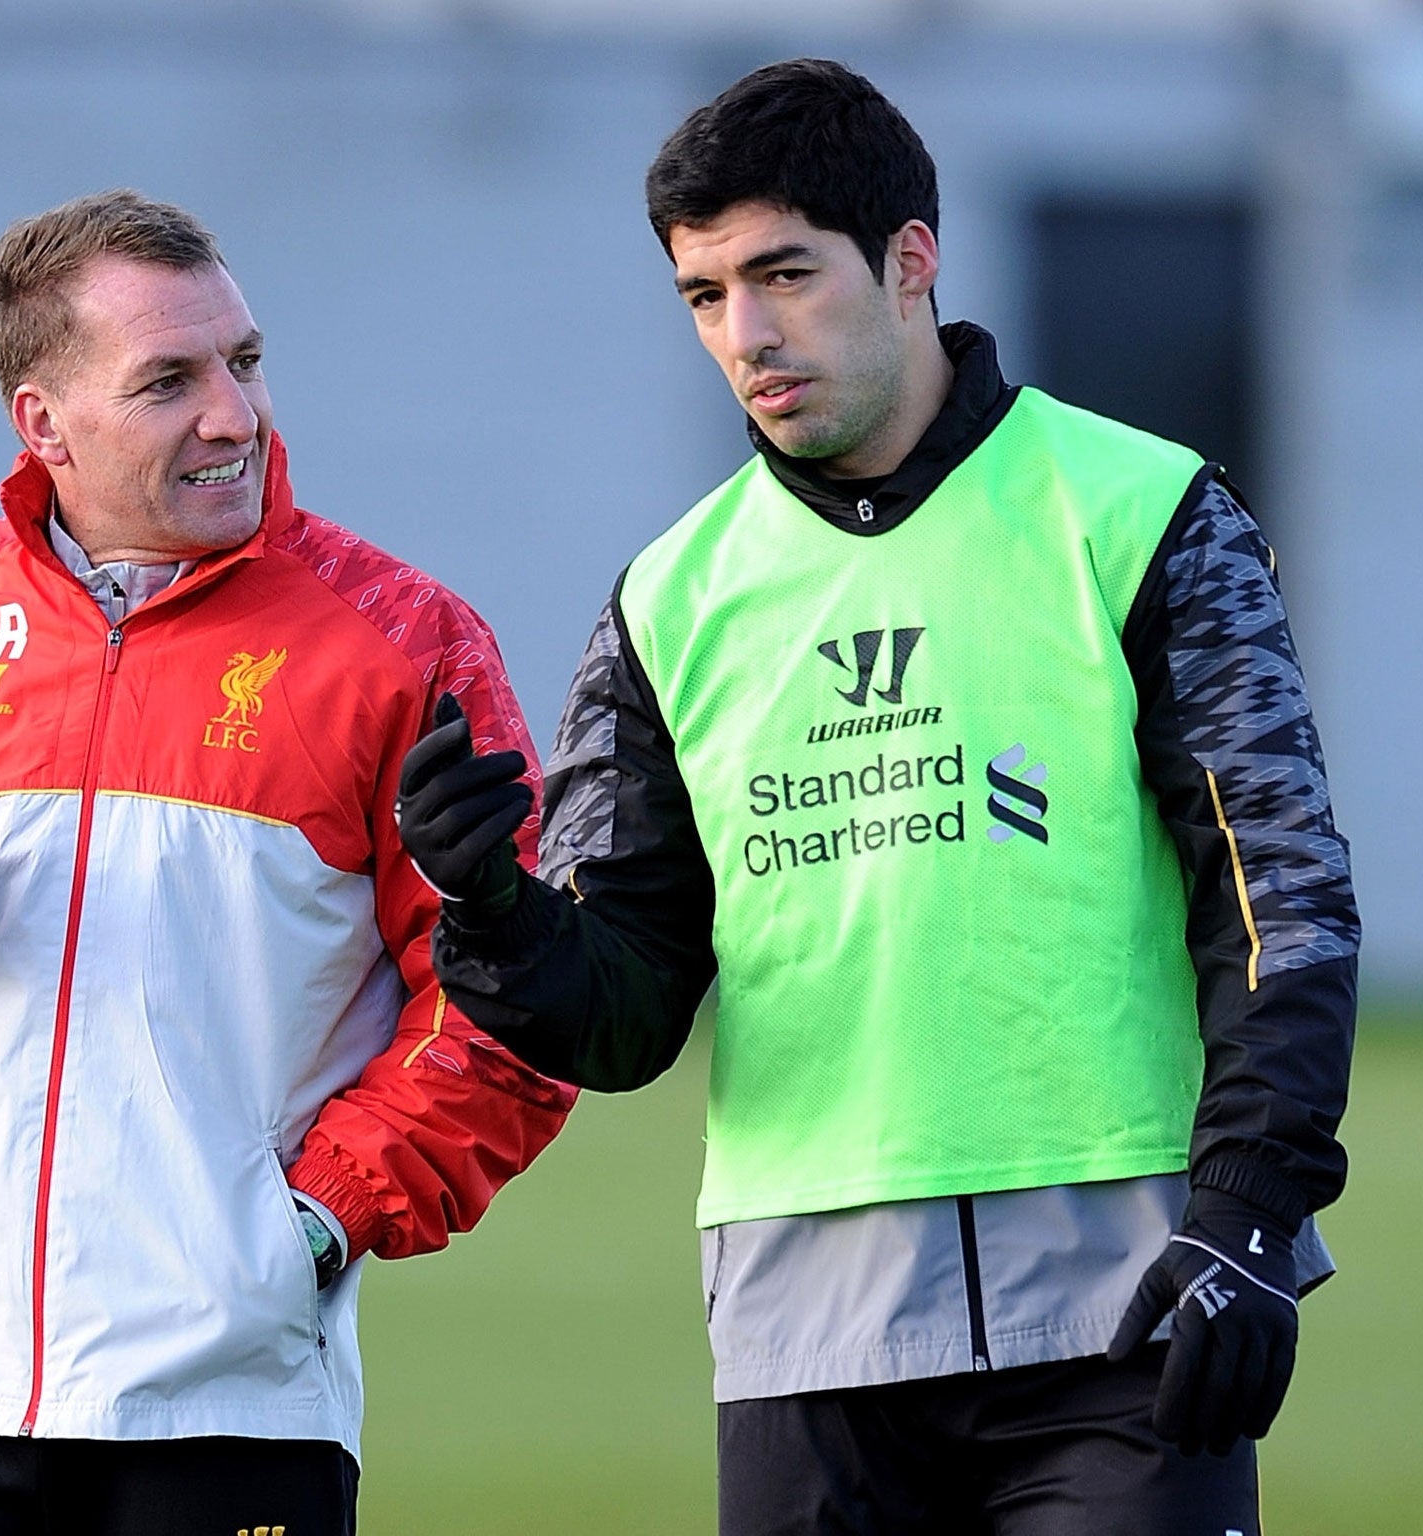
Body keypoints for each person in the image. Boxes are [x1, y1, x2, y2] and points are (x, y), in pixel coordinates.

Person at [398, 60, 1358, 1535]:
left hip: (1128, 1303)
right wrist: (496, 911)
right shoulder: (668, 601)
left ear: (912, 261)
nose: (748, 335)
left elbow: (1277, 896)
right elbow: (629, 1008)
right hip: (809, 1333)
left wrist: (1246, 1209)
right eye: (705, 294)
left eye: (784, 273)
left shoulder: (1143, 510)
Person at [0, 189, 574, 1536]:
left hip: (226, 1402)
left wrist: (309, 1229)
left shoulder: (404, 643)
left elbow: (519, 1007)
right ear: (43, 423)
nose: (235, 412)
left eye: (246, 361)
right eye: (169, 380)